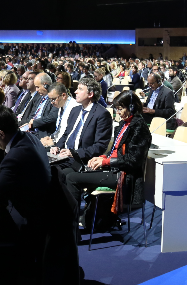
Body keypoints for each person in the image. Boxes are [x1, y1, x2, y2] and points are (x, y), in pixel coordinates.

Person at [63, 91, 152, 228]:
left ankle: (70, 227)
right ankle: (70, 221)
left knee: (72, 178)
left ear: (132, 107)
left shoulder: (139, 127)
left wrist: (106, 162)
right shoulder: (124, 124)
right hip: (114, 169)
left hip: (124, 175)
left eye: (121, 108)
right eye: (117, 109)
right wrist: (104, 157)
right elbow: (115, 151)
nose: (118, 112)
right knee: (67, 172)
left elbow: (133, 161)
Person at [0, 105, 51, 228]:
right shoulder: (29, 138)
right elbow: (19, 175)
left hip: (25, 219)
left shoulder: (15, 156)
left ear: (1, 134)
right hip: (42, 209)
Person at [51, 77, 112, 168]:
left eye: (80, 89)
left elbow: (100, 146)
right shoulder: (75, 110)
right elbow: (66, 134)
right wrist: (57, 147)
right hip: (64, 155)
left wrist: (74, 153)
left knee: (49, 169)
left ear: (90, 94)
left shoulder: (102, 114)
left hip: (80, 159)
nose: (75, 92)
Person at [39, 83, 79, 148]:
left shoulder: (74, 107)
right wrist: (50, 137)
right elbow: (59, 128)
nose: (52, 102)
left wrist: (54, 142)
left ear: (63, 95)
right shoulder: (61, 105)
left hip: (64, 146)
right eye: (50, 100)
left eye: (53, 99)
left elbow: (70, 134)